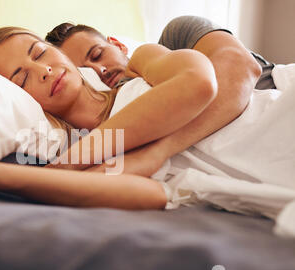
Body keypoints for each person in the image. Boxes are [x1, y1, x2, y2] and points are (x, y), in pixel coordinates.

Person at [0, 26, 219, 211]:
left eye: (40, 53)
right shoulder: (61, 146)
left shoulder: (140, 67)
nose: (43, 70)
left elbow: (199, 83)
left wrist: (75, 164)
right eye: (21, 79)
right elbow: (152, 195)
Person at [45, 16, 264, 177]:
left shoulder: (175, 36)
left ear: (119, 45)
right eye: (86, 72)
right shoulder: (115, 111)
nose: (100, 70)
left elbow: (240, 67)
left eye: (97, 55)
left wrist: (158, 152)